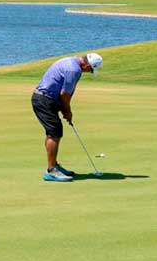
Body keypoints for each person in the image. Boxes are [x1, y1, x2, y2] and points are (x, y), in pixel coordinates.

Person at [31, 53, 103, 182]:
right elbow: (64, 94)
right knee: (54, 133)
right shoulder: (73, 69)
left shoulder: (71, 61)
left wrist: (64, 110)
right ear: (86, 65)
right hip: (44, 99)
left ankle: (54, 165)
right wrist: (68, 111)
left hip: (46, 98)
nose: (89, 72)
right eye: (91, 70)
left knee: (53, 132)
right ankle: (51, 170)